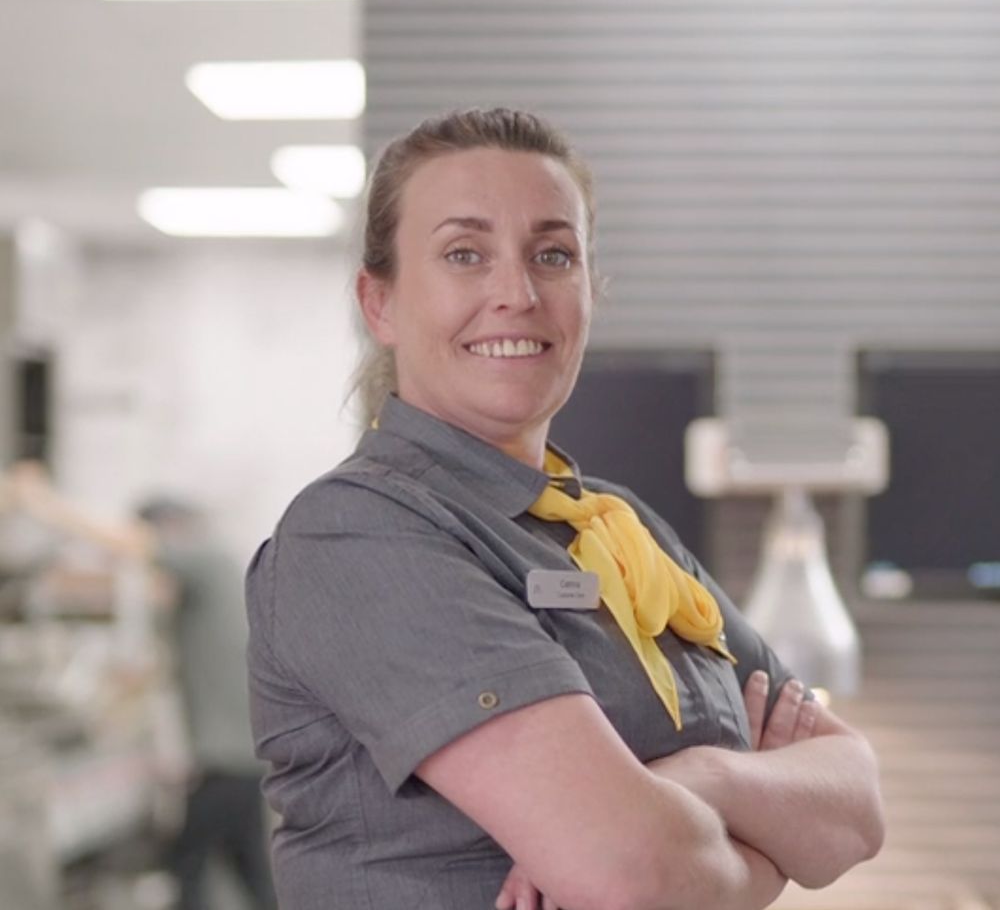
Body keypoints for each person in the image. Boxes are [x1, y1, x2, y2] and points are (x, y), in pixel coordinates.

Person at [245, 107, 884, 910]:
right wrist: (763, 845)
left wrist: (701, 777)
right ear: (380, 304)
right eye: (464, 254)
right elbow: (632, 874)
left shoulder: (621, 529)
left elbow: (856, 806)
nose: (515, 293)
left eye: (553, 254)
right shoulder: (357, 536)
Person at [3, 464, 277, 910]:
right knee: (247, 874)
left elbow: (134, 546)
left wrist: (41, 503)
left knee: (190, 867)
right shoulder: (214, 581)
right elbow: (151, 666)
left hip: (225, 761)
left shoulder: (204, 556)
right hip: (240, 759)